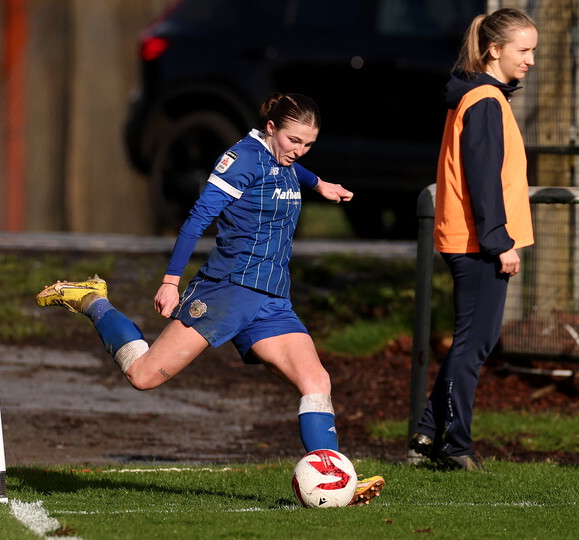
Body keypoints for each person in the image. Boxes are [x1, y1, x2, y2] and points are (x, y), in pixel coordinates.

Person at [36, 93, 385, 504]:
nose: (300, 150)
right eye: (294, 140)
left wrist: (318, 183)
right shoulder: (241, 160)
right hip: (227, 291)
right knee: (143, 376)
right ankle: (93, 300)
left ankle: (334, 479)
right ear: (271, 128)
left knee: (316, 381)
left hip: (272, 299)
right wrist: (170, 281)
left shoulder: (284, 159)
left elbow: (292, 169)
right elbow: (197, 219)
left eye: (309, 144)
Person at [408, 8, 537, 471]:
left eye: (534, 50)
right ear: (495, 50)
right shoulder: (484, 100)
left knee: (473, 341)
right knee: (473, 344)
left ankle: (428, 432)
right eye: (524, 50)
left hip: (469, 237)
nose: (531, 60)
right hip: (477, 242)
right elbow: (484, 180)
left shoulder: (480, 95)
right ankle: (456, 445)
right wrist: (499, 242)